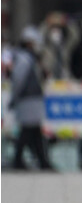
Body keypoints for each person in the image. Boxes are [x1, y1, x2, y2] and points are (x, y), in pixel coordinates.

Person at [10, 26, 55, 171]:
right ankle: (19, 160)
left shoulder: (29, 58)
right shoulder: (24, 58)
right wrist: (14, 98)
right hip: (27, 99)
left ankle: (41, 161)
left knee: (34, 131)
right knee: (28, 131)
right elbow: (19, 80)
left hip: (32, 99)